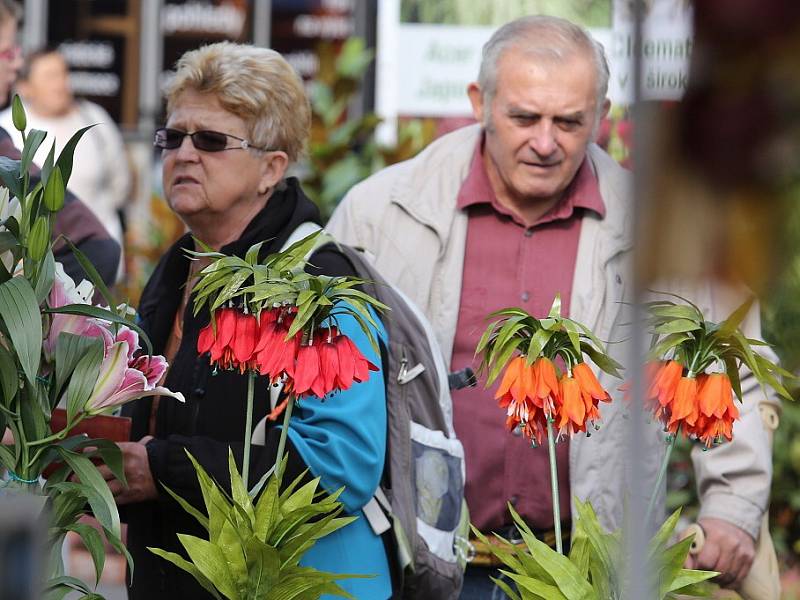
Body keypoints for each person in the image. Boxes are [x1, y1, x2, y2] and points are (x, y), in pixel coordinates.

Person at [327, 15, 773, 597]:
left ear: (602, 116)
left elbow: (726, 363)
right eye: (523, 117)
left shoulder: (659, 224)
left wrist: (733, 505)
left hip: (592, 570)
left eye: (568, 122)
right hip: (425, 564)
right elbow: (324, 367)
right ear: (478, 102)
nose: (544, 142)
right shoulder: (382, 211)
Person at [113, 42, 391, 599]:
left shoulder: (318, 281)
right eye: (174, 136)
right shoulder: (178, 268)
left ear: (272, 167)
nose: (184, 154)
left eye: (211, 140)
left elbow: (342, 466)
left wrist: (163, 470)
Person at [0, 0, 119, 286]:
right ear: (28, 88)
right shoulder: (10, 129)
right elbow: (98, 248)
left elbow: (120, 184)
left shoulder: (93, 117)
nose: (16, 63)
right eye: (8, 51)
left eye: (63, 74)